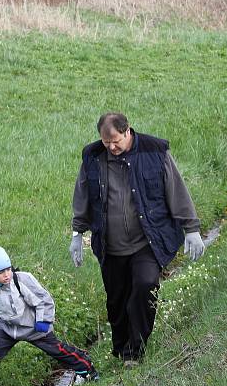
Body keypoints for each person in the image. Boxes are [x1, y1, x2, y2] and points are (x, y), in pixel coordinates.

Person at [69, 112, 205, 366]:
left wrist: (191, 228)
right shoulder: (93, 156)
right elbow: (82, 194)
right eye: (106, 142)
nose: (110, 147)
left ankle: (135, 351)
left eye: (115, 141)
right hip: (111, 245)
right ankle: (121, 349)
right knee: (116, 300)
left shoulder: (155, 151)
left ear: (127, 131)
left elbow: (176, 189)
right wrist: (77, 233)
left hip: (147, 241)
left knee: (145, 286)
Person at [0, 246, 98, 381]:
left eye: (8, 269)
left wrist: (43, 320)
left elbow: (43, 299)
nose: (6, 274)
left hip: (33, 327)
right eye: (1, 272)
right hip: (7, 328)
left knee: (57, 350)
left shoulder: (21, 280)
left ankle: (87, 370)